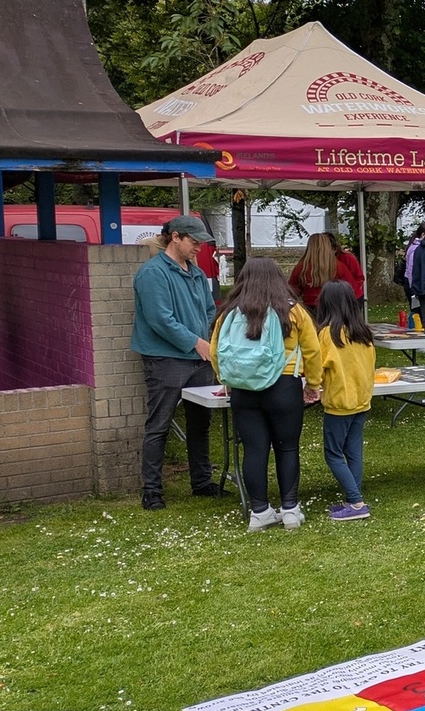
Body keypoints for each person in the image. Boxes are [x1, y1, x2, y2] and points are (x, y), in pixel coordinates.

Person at [209, 257, 324, 530]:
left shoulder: (230, 313)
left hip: (244, 389)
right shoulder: (293, 311)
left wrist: (226, 379)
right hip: (284, 386)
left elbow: (215, 351)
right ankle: (290, 509)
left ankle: (259, 511)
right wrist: (313, 384)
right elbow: (313, 351)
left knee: (254, 449)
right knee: (287, 448)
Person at [131, 214, 220, 510]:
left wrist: (202, 340)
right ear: (176, 237)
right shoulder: (152, 273)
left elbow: (209, 309)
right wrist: (197, 341)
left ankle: (202, 482)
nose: (199, 248)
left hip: (198, 357)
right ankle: (152, 491)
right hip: (165, 358)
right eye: (194, 242)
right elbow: (160, 319)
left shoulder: (196, 273)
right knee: (159, 424)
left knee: (200, 423)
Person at [315, 281, 377, 522]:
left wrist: (311, 384)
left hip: (339, 403)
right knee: (353, 452)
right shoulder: (364, 334)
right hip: (361, 401)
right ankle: (354, 500)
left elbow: (318, 368)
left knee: (333, 454)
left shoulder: (327, 335)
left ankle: (356, 501)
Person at [289, 232, 366, 312]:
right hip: (334, 307)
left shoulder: (302, 267)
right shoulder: (338, 266)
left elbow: (292, 289)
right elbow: (351, 288)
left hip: (311, 307)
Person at [397, 223, 425, 308]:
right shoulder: (415, 249)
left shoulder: (414, 246)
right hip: (412, 283)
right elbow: (411, 269)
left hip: (412, 283)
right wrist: (413, 287)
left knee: (417, 309)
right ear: (423, 235)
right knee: (416, 310)